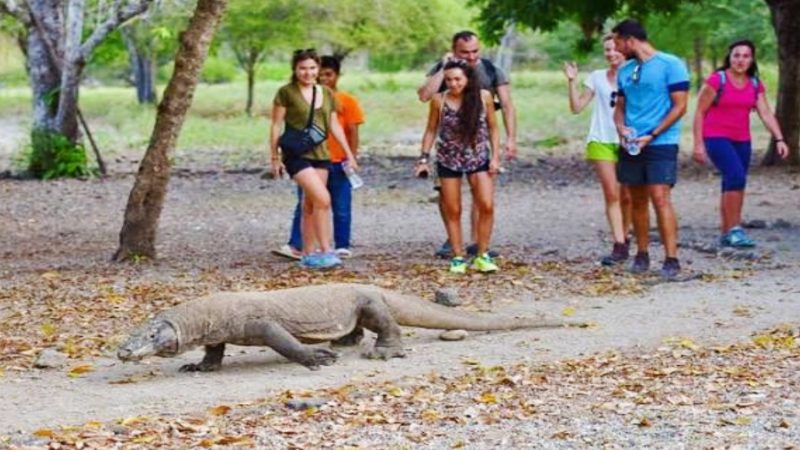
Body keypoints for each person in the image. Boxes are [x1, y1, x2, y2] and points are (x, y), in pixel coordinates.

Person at [417, 30, 517, 258]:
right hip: (448, 150)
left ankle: (476, 242)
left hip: (478, 147)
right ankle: (454, 244)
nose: (471, 57)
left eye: (475, 51)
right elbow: (424, 96)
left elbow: (507, 106)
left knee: (483, 199)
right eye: (465, 52)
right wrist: (444, 68)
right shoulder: (444, 71)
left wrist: (509, 139)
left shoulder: (491, 71)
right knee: (448, 200)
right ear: (454, 51)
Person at [611, 19, 690, 279]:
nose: (616, 47)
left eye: (618, 41)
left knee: (660, 197)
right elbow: (620, 107)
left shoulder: (671, 65)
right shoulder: (626, 71)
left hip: (661, 142)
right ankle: (642, 253)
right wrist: (621, 128)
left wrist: (653, 134)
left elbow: (680, 106)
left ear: (630, 40)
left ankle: (671, 258)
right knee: (637, 199)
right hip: (633, 144)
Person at [692, 40, 789, 247]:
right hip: (716, 137)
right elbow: (699, 112)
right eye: (736, 55)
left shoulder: (755, 84)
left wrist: (779, 138)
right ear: (730, 57)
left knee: (734, 182)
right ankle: (736, 229)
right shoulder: (717, 80)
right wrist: (698, 144)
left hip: (742, 140)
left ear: (751, 59)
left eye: (745, 56)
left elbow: (765, 113)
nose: (740, 60)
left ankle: (727, 232)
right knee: (735, 176)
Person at [269, 49, 359, 269]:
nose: (307, 73)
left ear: (317, 69)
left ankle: (308, 254)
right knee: (323, 199)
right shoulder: (286, 93)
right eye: (302, 68)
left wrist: (349, 154)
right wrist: (274, 157)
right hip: (296, 155)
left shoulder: (326, 93)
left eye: (311, 68)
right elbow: (276, 125)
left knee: (309, 203)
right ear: (295, 69)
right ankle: (327, 249)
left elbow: (333, 124)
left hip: (321, 154)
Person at [415, 59, 501, 274]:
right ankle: (458, 256)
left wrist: (495, 157)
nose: (454, 84)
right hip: (448, 159)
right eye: (449, 80)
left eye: (458, 79)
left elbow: (493, 128)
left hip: (478, 157)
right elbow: (431, 130)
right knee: (453, 209)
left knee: (486, 204)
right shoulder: (439, 100)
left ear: (468, 79)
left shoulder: (484, 97)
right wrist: (423, 158)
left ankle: (482, 254)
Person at [563, 34, 633, 266]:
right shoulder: (597, 77)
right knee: (612, 193)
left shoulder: (636, 75)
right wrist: (571, 81)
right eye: (607, 50)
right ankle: (619, 243)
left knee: (628, 195)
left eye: (615, 49)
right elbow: (576, 107)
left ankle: (627, 232)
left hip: (628, 141)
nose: (611, 54)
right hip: (601, 139)